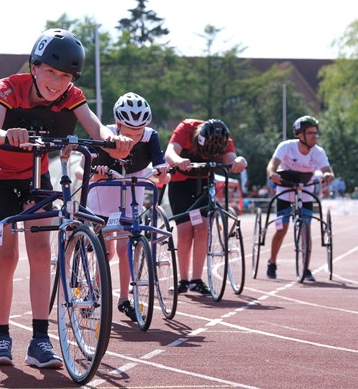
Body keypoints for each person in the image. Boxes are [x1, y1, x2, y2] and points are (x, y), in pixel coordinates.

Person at [0, 28, 131, 368]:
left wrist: (114, 140)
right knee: (6, 255)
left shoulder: (72, 95)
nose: (57, 81)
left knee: (41, 250)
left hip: (35, 176)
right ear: (35, 67)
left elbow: (95, 127)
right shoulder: (9, 87)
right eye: (51, 72)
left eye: (65, 76)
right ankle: (0, 335)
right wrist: (8, 134)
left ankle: (39, 340)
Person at [74, 92, 171, 321]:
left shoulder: (150, 137)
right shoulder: (102, 135)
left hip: (132, 184)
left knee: (125, 246)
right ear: (117, 125)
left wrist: (163, 173)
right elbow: (79, 171)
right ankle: (94, 288)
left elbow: (161, 172)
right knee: (106, 250)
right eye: (128, 133)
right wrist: (92, 175)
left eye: (138, 133)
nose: (134, 139)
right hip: (105, 187)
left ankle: (124, 299)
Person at [164, 119, 248, 295]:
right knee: (185, 230)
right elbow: (170, 153)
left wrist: (240, 161)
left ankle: (196, 280)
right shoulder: (186, 128)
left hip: (203, 182)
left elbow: (232, 159)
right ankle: (183, 280)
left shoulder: (223, 137)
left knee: (202, 228)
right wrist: (179, 160)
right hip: (181, 184)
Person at [265, 115, 334, 281]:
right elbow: (272, 164)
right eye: (310, 133)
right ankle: (272, 262)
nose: (314, 136)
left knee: (306, 230)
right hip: (285, 189)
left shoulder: (318, 151)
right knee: (282, 228)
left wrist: (328, 174)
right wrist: (272, 174)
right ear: (300, 134)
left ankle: (306, 268)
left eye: (316, 133)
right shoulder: (286, 146)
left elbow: (327, 168)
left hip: (306, 191)